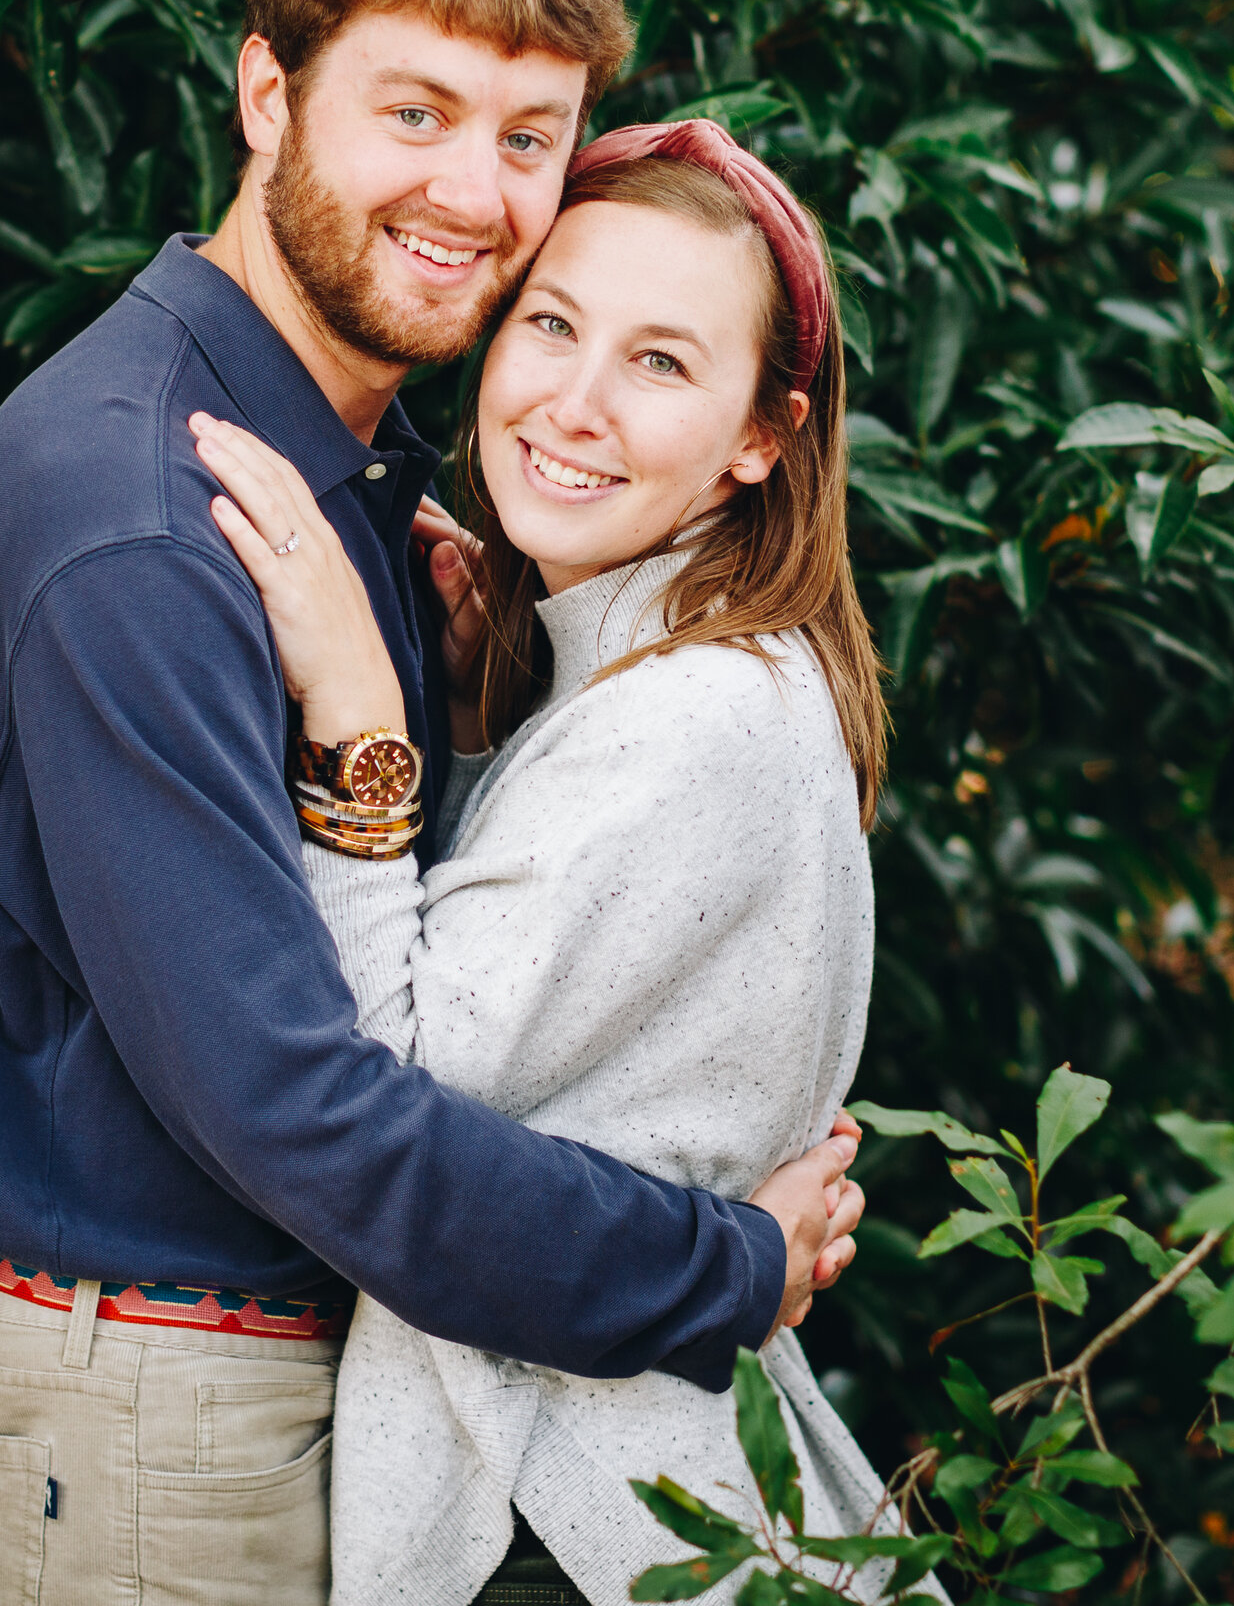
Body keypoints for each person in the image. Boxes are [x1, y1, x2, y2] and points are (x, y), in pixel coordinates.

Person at [0, 0, 865, 1606]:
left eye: (528, 138)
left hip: (256, 1397)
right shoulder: (145, 531)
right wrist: (717, 1269)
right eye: (414, 114)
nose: (475, 195)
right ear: (268, 95)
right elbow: (309, 1112)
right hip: (141, 1425)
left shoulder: (354, 496)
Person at [193, 118, 897, 1606]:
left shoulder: (693, 719)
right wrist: (461, 734)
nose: (575, 402)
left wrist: (360, 725)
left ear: (760, 435)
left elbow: (388, 1099)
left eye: (659, 363)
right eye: (552, 325)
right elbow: (553, 1053)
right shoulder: (684, 679)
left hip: (567, 1521)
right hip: (613, 1491)